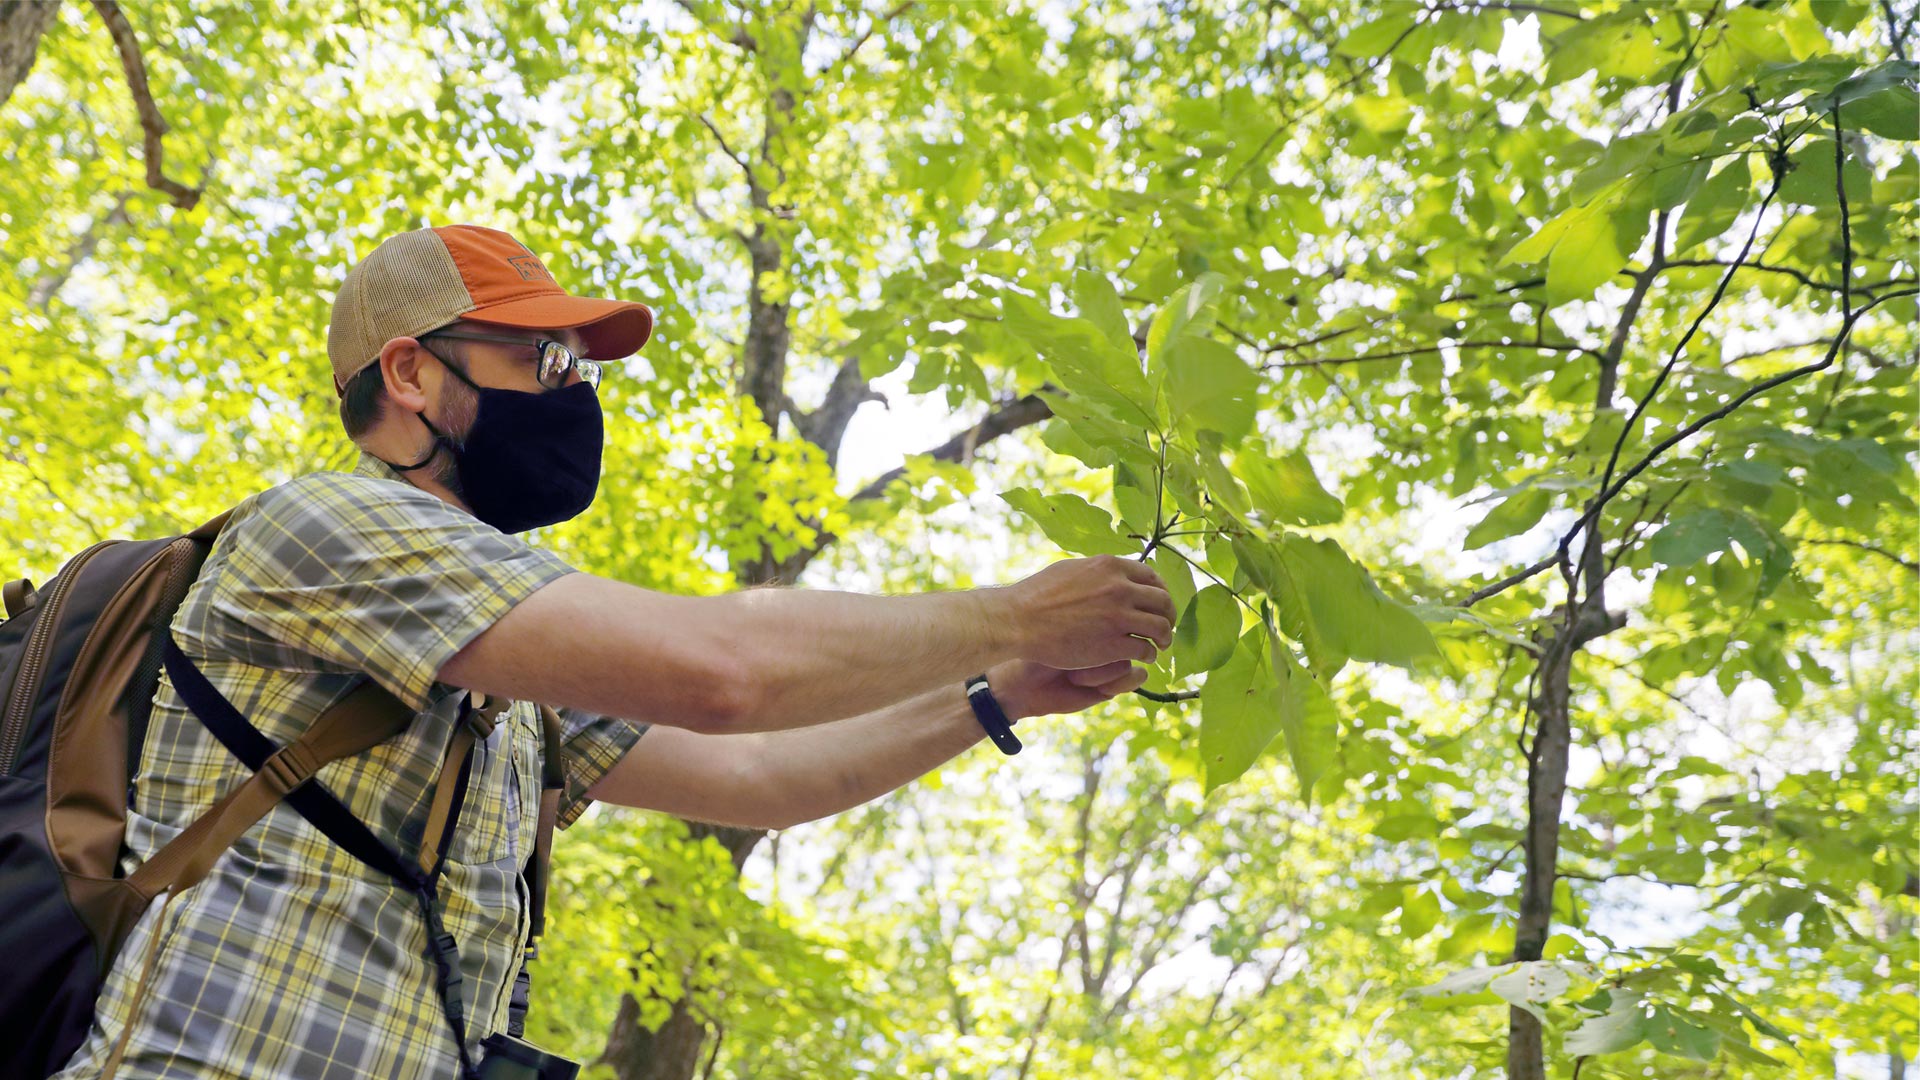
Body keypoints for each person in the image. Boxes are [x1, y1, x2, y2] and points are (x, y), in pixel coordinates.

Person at [52, 223, 1176, 1079]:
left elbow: (758, 783)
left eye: (581, 370)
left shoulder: (506, 672)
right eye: (546, 361)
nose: (577, 394)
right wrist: (1012, 616)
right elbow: (724, 672)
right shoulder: (331, 529)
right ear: (409, 374)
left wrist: (1000, 696)